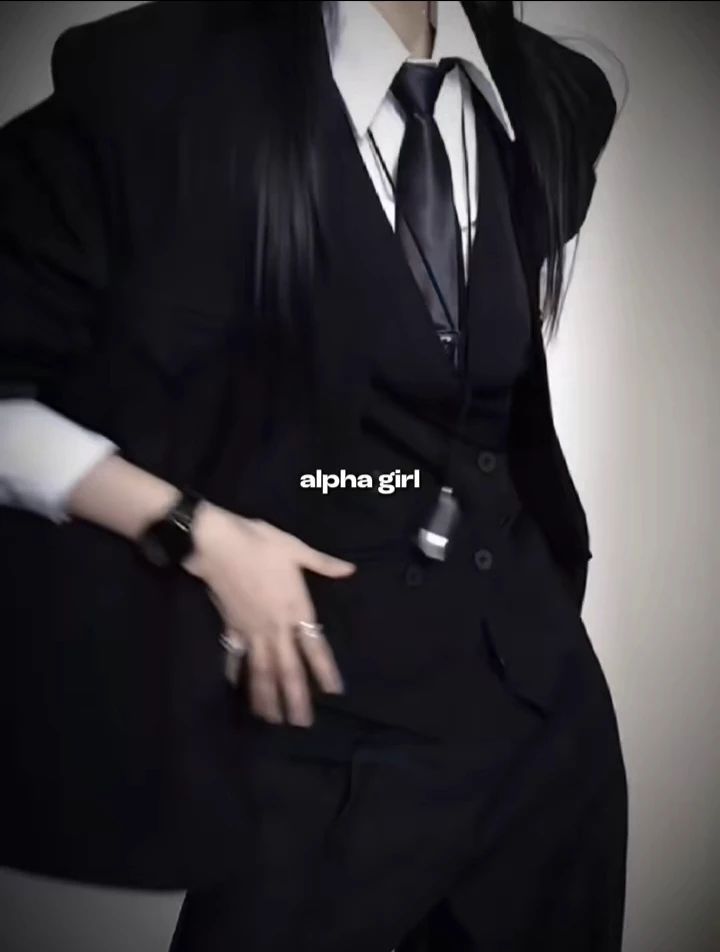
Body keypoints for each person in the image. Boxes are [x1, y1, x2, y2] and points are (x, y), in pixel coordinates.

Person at [0, 1, 627, 949]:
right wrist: (200, 534)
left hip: (543, 736)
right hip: (316, 734)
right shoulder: (158, 86)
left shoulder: (551, 99)